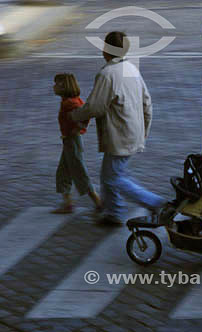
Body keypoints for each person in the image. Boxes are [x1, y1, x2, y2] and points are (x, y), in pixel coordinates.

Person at [71, 31, 164, 224]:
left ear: (106, 49)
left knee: (112, 177)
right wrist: (144, 131)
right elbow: (147, 102)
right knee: (111, 174)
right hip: (132, 132)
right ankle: (114, 212)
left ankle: (154, 202)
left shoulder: (107, 74)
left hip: (119, 135)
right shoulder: (131, 68)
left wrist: (74, 115)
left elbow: (95, 107)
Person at [52, 73, 102, 214]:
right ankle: (68, 204)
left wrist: (78, 129)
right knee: (63, 172)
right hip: (68, 140)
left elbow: (85, 115)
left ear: (63, 86)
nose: (54, 86)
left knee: (79, 171)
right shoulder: (69, 100)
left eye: (56, 84)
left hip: (72, 141)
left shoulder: (70, 103)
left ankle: (98, 201)